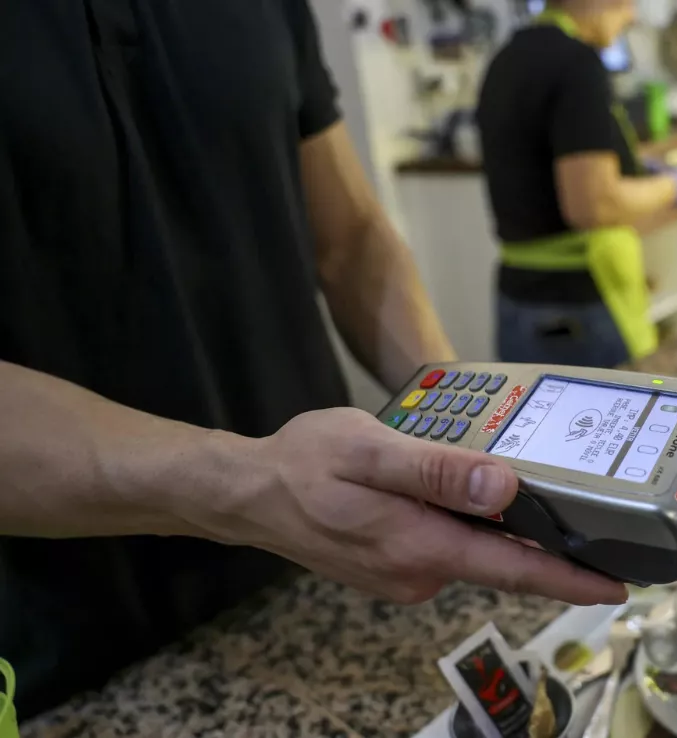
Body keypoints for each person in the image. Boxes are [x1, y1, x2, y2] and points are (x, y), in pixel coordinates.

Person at [0, 0, 629, 716]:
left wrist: (474, 420)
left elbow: (351, 238)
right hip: (83, 641)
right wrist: (247, 483)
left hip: (333, 557)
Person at [476, 0, 677, 368]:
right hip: (578, 310)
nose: (632, 15)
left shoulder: (505, 60)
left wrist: (635, 170)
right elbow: (594, 204)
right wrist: (675, 187)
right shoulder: (577, 64)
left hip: (518, 300)